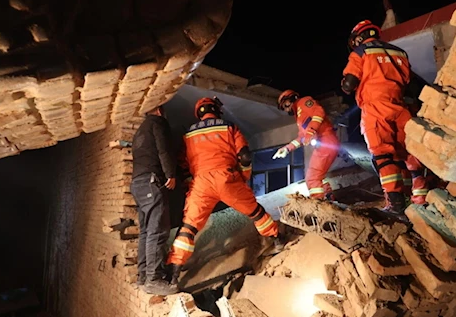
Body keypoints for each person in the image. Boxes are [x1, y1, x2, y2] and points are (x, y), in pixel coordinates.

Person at [166, 96, 285, 286]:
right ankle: (277, 240)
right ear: (216, 109)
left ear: (199, 113)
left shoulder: (188, 134)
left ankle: (173, 273)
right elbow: (245, 156)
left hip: (201, 183)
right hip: (227, 179)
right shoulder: (229, 127)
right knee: (256, 212)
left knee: (188, 228)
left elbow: (183, 164)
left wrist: (192, 184)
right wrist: (243, 178)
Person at [340, 20, 430, 214]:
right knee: (404, 154)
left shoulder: (361, 52)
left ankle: (396, 205)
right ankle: (416, 197)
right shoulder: (399, 53)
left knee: (382, 154)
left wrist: (347, 83)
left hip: (375, 107)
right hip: (400, 107)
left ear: (358, 38)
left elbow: (349, 84)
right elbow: (409, 82)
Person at [131, 105, 178, 295]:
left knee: (145, 232)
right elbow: (164, 150)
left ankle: (143, 276)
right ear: (158, 110)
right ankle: (154, 279)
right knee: (157, 232)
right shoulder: (157, 123)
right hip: (151, 183)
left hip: (137, 185)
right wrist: (171, 175)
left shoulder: (139, 131)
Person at [273, 90, 340, 201]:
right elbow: (302, 138)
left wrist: (311, 130)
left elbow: (319, 112)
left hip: (326, 141)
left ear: (289, 100)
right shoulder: (299, 116)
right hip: (325, 143)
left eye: (284, 106)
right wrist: (287, 148)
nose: (285, 110)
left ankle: (318, 204)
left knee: (312, 178)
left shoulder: (304, 102)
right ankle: (328, 198)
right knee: (319, 176)